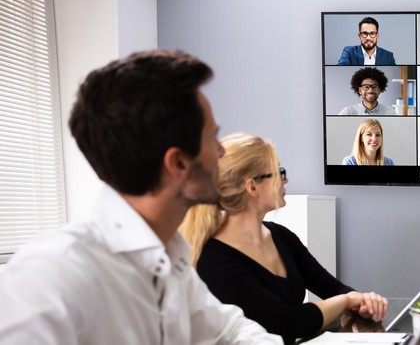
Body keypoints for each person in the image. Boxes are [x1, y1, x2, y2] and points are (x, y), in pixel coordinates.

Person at [0, 50, 281, 344]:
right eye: (213, 138)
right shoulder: (53, 274)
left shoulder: (169, 258)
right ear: (178, 164)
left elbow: (229, 330)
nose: (221, 152)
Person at [181, 133, 389, 345]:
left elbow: (332, 288)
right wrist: (347, 301)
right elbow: (287, 321)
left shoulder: (281, 236)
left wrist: (362, 302)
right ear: (252, 187)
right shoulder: (213, 259)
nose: (285, 179)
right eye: (279, 173)